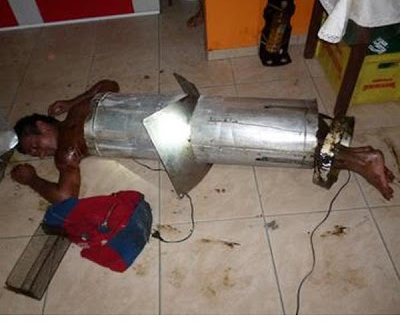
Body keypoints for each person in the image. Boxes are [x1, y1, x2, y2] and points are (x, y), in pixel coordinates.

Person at [11, 80, 395, 204]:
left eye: (35, 141)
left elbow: (109, 85)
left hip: (183, 120)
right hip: (182, 123)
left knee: (270, 131)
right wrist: (73, 102)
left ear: (44, 122)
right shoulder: (73, 136)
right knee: (267, 134)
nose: (40, 151)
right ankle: (359, 156)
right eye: (34, 153)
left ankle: (359, 158)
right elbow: (65, 197)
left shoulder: (72, 129)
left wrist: (32, 179)